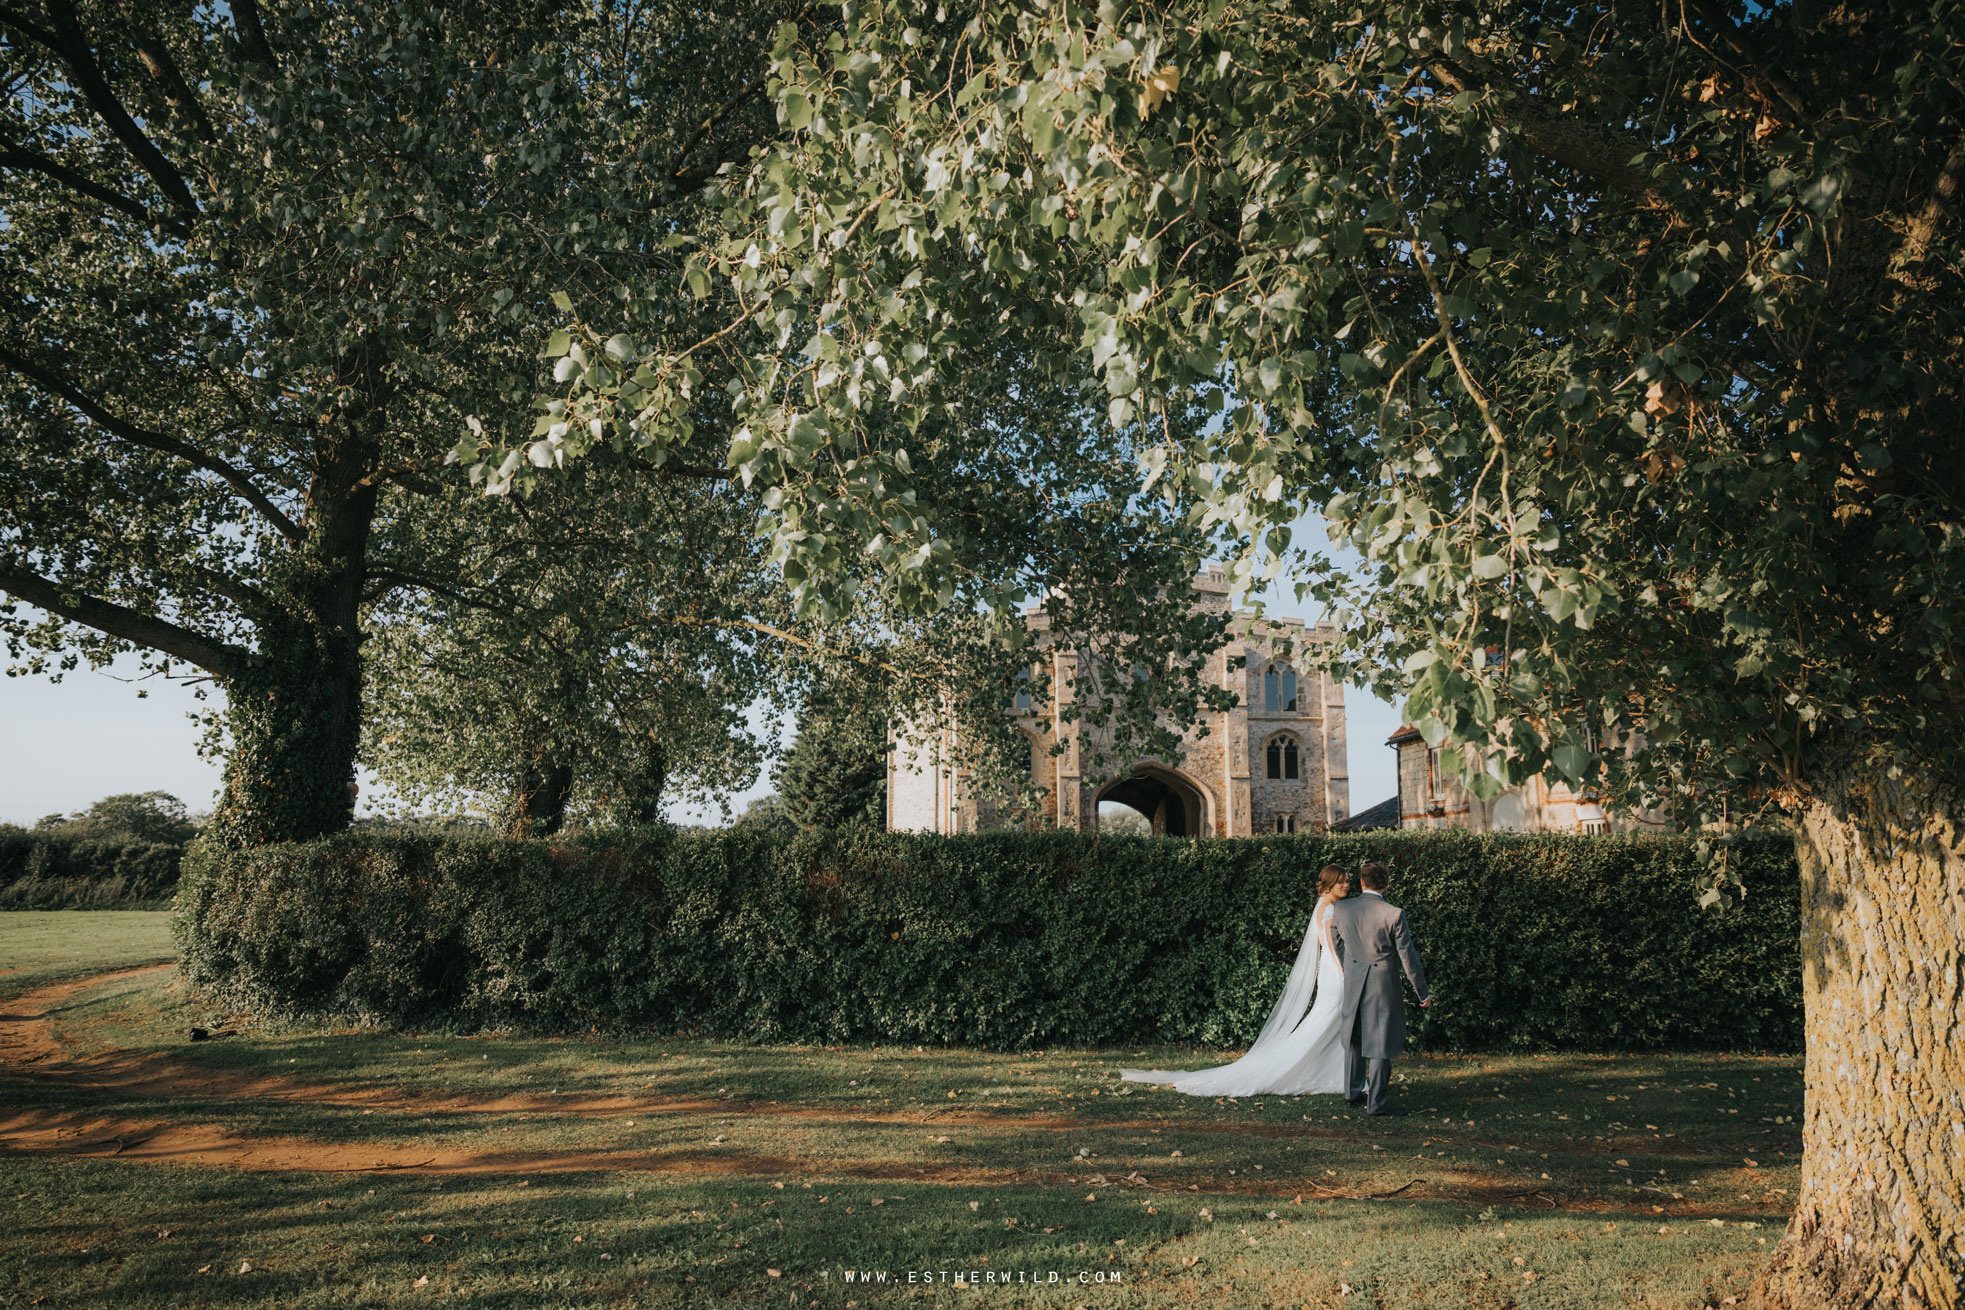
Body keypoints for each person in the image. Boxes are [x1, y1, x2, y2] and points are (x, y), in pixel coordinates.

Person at [1118, 865, 1355, 1096]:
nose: (1346, 885)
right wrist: (1342, 968)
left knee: (1332, 1022)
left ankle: (1331, 1070)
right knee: (1325, 1021)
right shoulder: (1327, 908)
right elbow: (1329, 942)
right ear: (1329, 884)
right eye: (1341, 881)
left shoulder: (1330, 905)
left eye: (1346, 881)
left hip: (1334, 968)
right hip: (1335, 969)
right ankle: (1304, 1069)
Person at [1328, 860, 1431, 1116]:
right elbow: (1408, 957)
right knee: (1381, 1041)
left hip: (1354, 980)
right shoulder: (1394, 913)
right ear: (1386, 885)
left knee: (1355, 1035)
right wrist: (1423, 992)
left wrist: (1350, 966)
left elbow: (1336, 941)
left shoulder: (1342, 908)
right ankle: (1377, 1102)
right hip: (1383, 984)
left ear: (1362, 883)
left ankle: (1352, 1092)